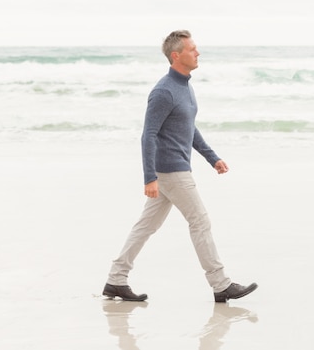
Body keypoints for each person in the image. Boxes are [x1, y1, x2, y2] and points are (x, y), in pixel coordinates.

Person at [103, 30, 257, 303]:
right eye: (192, 49)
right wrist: (149, 177)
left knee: (145, 227)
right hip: (172, 171)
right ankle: (220, 284)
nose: (197, 53)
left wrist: (212, 157)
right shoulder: (163, 91)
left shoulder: (185, 86)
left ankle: (116, 279)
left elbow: (188, 128)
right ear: (176, 56)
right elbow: (148, 134)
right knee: (200, 221)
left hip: (172, 170)